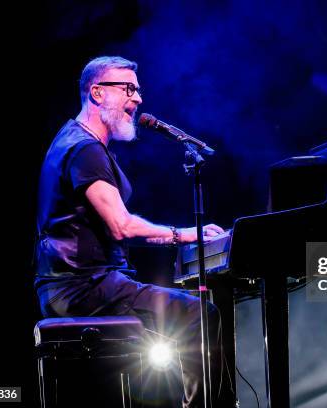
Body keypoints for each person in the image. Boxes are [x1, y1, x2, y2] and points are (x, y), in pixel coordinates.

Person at [34, 56, 233, 407]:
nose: (138, 98)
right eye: (128, 89)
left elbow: (119, 228)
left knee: (172, 329)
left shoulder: (74, 141)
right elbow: (122, 225)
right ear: (97, 92)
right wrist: (187, 235)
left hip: (72, 285)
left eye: (138, 89)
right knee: (200, 315)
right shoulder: (85, 150)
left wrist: (179, 236)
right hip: (83, 287)